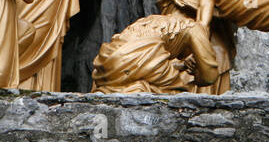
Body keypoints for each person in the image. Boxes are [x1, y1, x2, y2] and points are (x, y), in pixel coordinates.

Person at [91, 12, 219, 95]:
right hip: (140, 55)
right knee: (177, 93)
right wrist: (196, 75)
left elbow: (143, 65)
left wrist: (182, 66)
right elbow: (210, 76)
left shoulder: (154, 21)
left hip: (108, 59)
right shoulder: (195, 28)